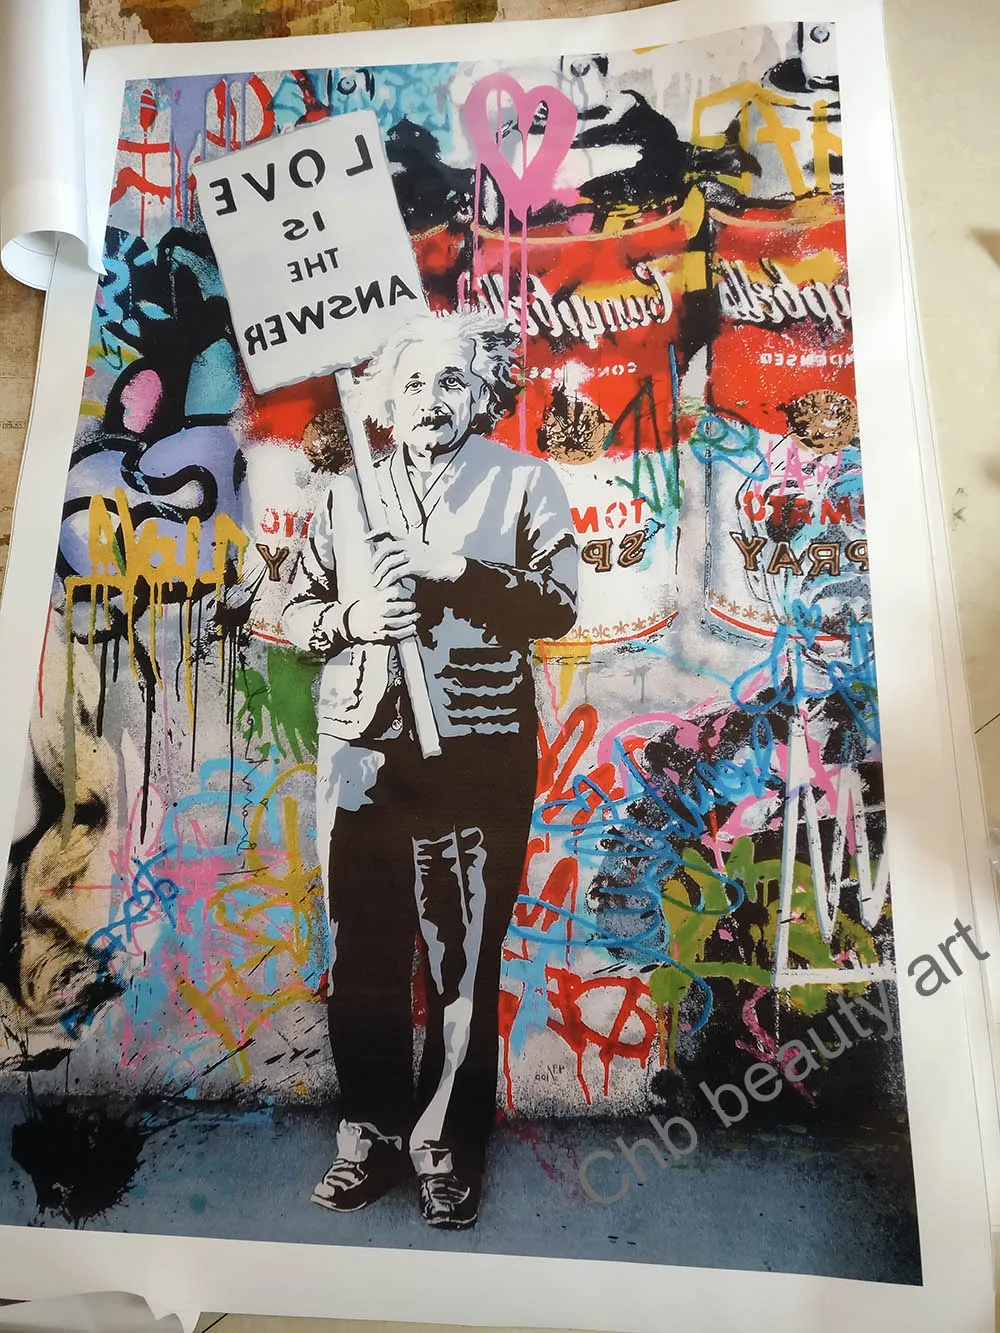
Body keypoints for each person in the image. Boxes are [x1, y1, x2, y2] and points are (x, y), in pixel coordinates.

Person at [283, 310, 578, 1230]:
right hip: (363, 752)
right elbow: (292, 607)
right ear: (383, 399)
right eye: (411, 382)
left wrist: (452, 567)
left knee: (462, 962)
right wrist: (349, 621)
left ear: (481, 393)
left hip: (477, 751)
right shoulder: (348, 494)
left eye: (451, 380)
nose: (429, 399)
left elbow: (558, 604)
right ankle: (368, 1136)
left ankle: (445, 1150)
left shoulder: (524, 483)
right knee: (362, 958)